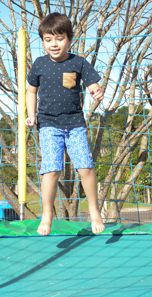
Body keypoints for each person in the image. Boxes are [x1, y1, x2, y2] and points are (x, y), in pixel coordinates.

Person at [25, 13, 105, 236]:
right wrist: (31, 115)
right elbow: (31, 92)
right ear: (43, 42)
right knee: (51, 170)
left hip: (75, 124)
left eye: (59, 39)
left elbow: (93, 85)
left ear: (69, 39)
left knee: (85, 167)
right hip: (48, 124)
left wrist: (96, 91)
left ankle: (94, 211)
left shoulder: (78, 62)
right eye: (48, 40)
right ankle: (47, 215)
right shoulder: (39, 64)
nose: (54, 44)